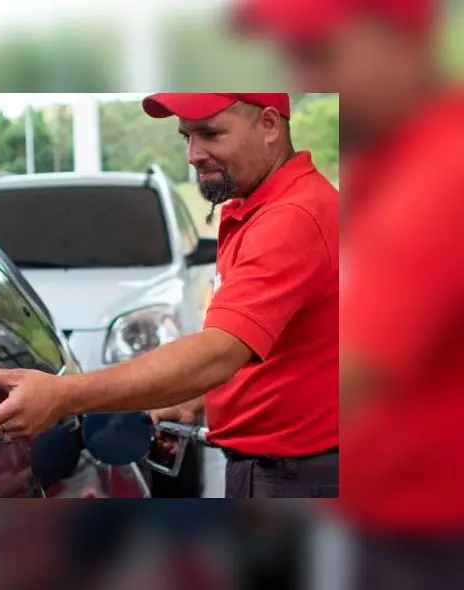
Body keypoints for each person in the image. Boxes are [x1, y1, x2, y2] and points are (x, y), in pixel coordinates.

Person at [0, 93, 339, 499]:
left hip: (294, 476)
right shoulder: (265, 206)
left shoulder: (291, 218)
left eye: (211, 133)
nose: (194, 154)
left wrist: (62, 395)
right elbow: (279, 350)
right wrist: (194, 397)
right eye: (186, 137)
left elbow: (218, 353)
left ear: (269, 126)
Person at [232, 0, 464, 586]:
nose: (303, 83)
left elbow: (353, 367)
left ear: (408, 43)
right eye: (293, 58)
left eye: (319, 55)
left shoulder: (444, 169)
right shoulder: (391, 158)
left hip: (431, 539)